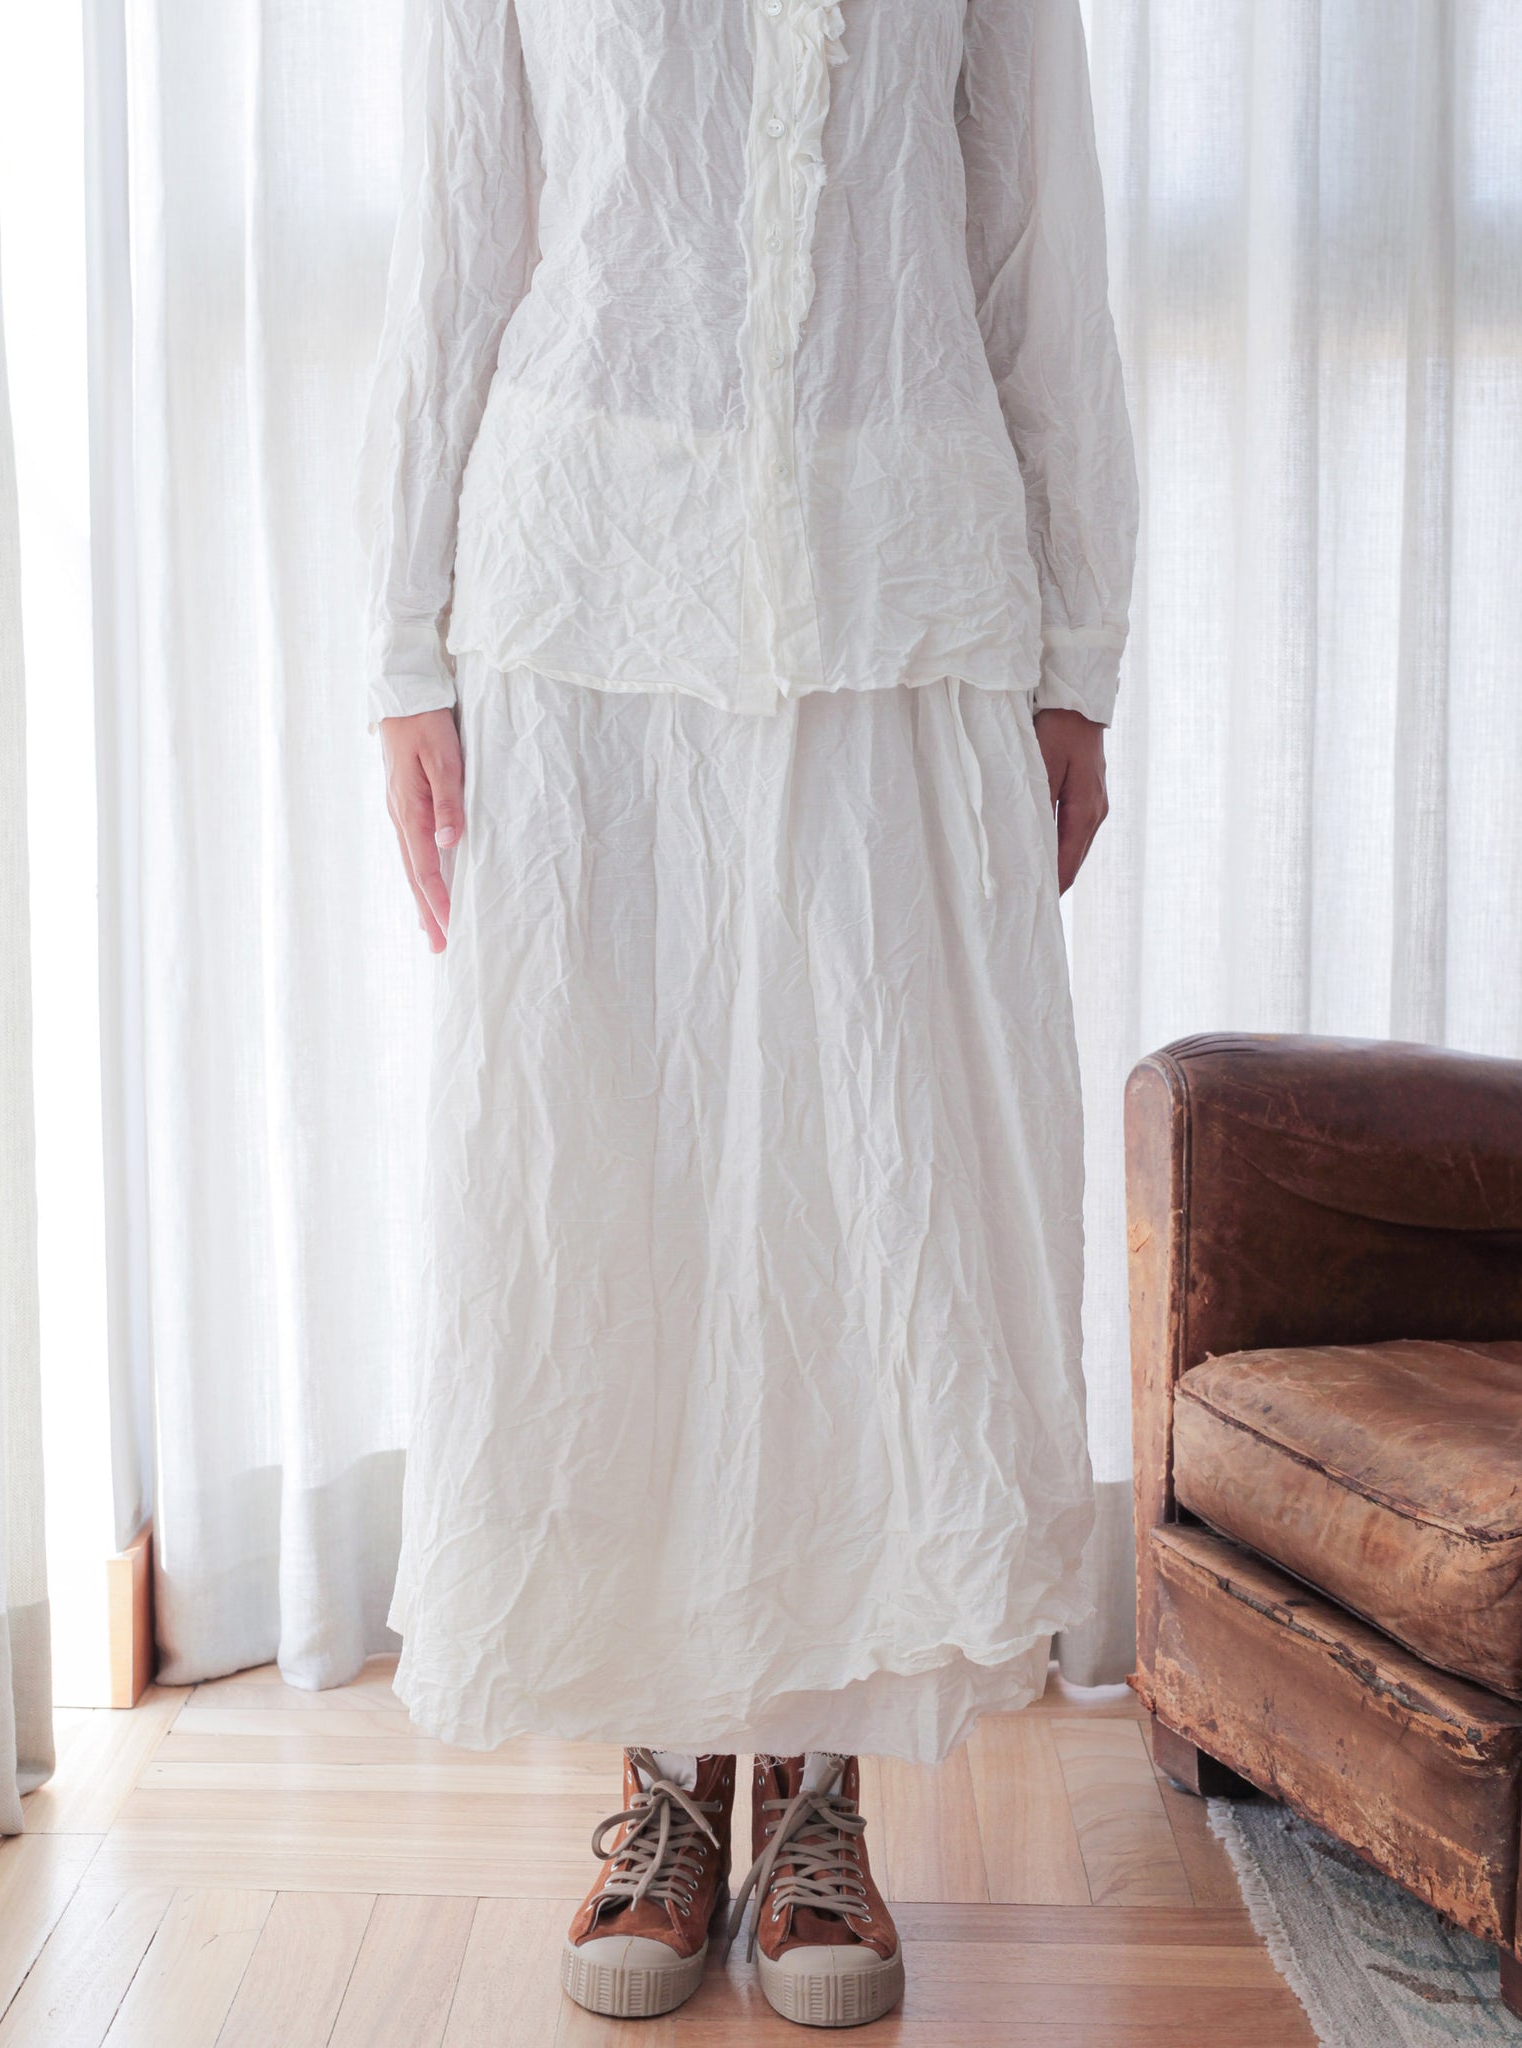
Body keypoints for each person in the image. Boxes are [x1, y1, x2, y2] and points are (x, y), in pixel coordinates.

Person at [358, 0, 1136, 2027]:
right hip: (588, 600)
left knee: (861, 1203)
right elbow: (457, 238)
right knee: (625, 1188)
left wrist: (1081, 649)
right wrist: (401, 652)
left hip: (901, 590)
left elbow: (1034, 242)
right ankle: (664, 1782)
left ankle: (816, 1789)